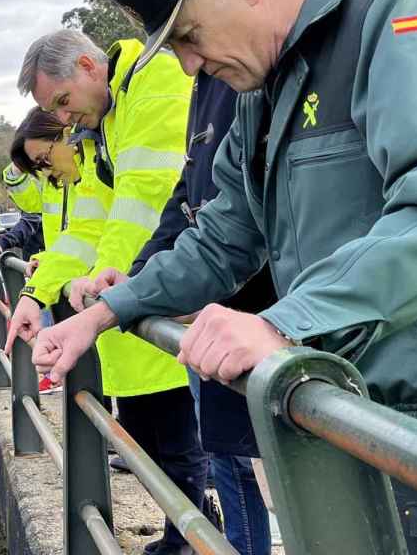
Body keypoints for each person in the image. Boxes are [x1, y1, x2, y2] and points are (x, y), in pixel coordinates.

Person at [34, 0, 417, 553]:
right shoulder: (260, 92)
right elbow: (220, 239)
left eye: (188, 34)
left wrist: (284, 325)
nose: (188, 65)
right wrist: (105, 312)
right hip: (336, 426)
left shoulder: (396, 16)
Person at [15, 33, 206, 555]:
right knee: (153, 446)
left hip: (166, 306)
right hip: (131, 313)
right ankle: (183, 537)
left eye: (61, 102)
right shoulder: (106, 124)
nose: (65, 117)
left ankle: (194, 540)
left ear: (86, 65)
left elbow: (145, 202)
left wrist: (105, 286)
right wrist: (36, 292)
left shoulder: (152, 83)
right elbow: (90, 230)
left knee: (195, 453)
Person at [85, 70, 275, 555]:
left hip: (254, 328)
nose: (186, 60)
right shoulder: (204, 81)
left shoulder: (234, 73)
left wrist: (286, 322)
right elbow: (193, 204)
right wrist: (136, 279)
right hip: (210, 323)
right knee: (234, 464)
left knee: (251, 470)